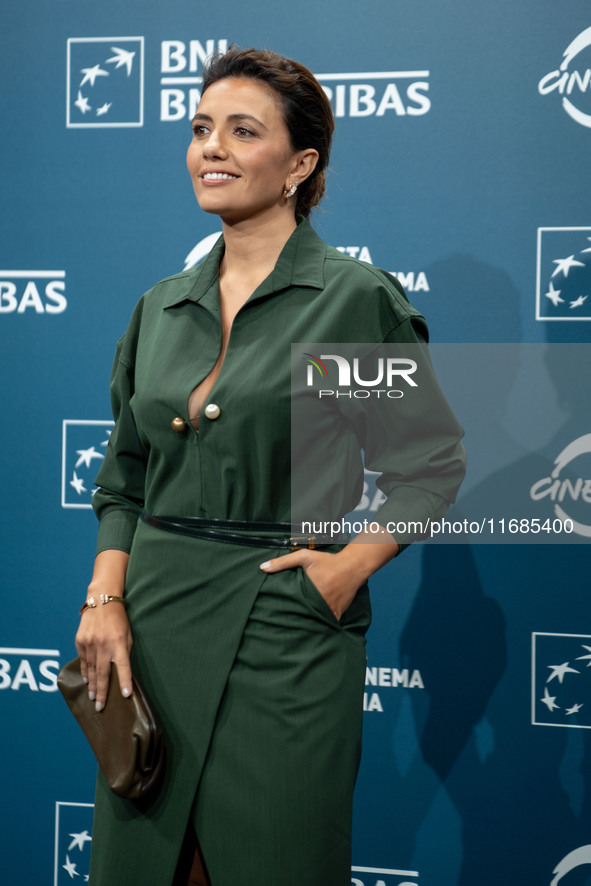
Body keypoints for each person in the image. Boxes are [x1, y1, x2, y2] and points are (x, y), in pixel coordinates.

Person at [75, 47, 466, 886]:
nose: (211, 148)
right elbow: (124, 476)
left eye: (241, 131)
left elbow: (430, 463)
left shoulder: (348, 301)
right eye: (200, 129)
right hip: (150, 631)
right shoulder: (161, 307)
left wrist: (347, 569)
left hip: (284, 634)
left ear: (299, 164)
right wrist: (105, 598)